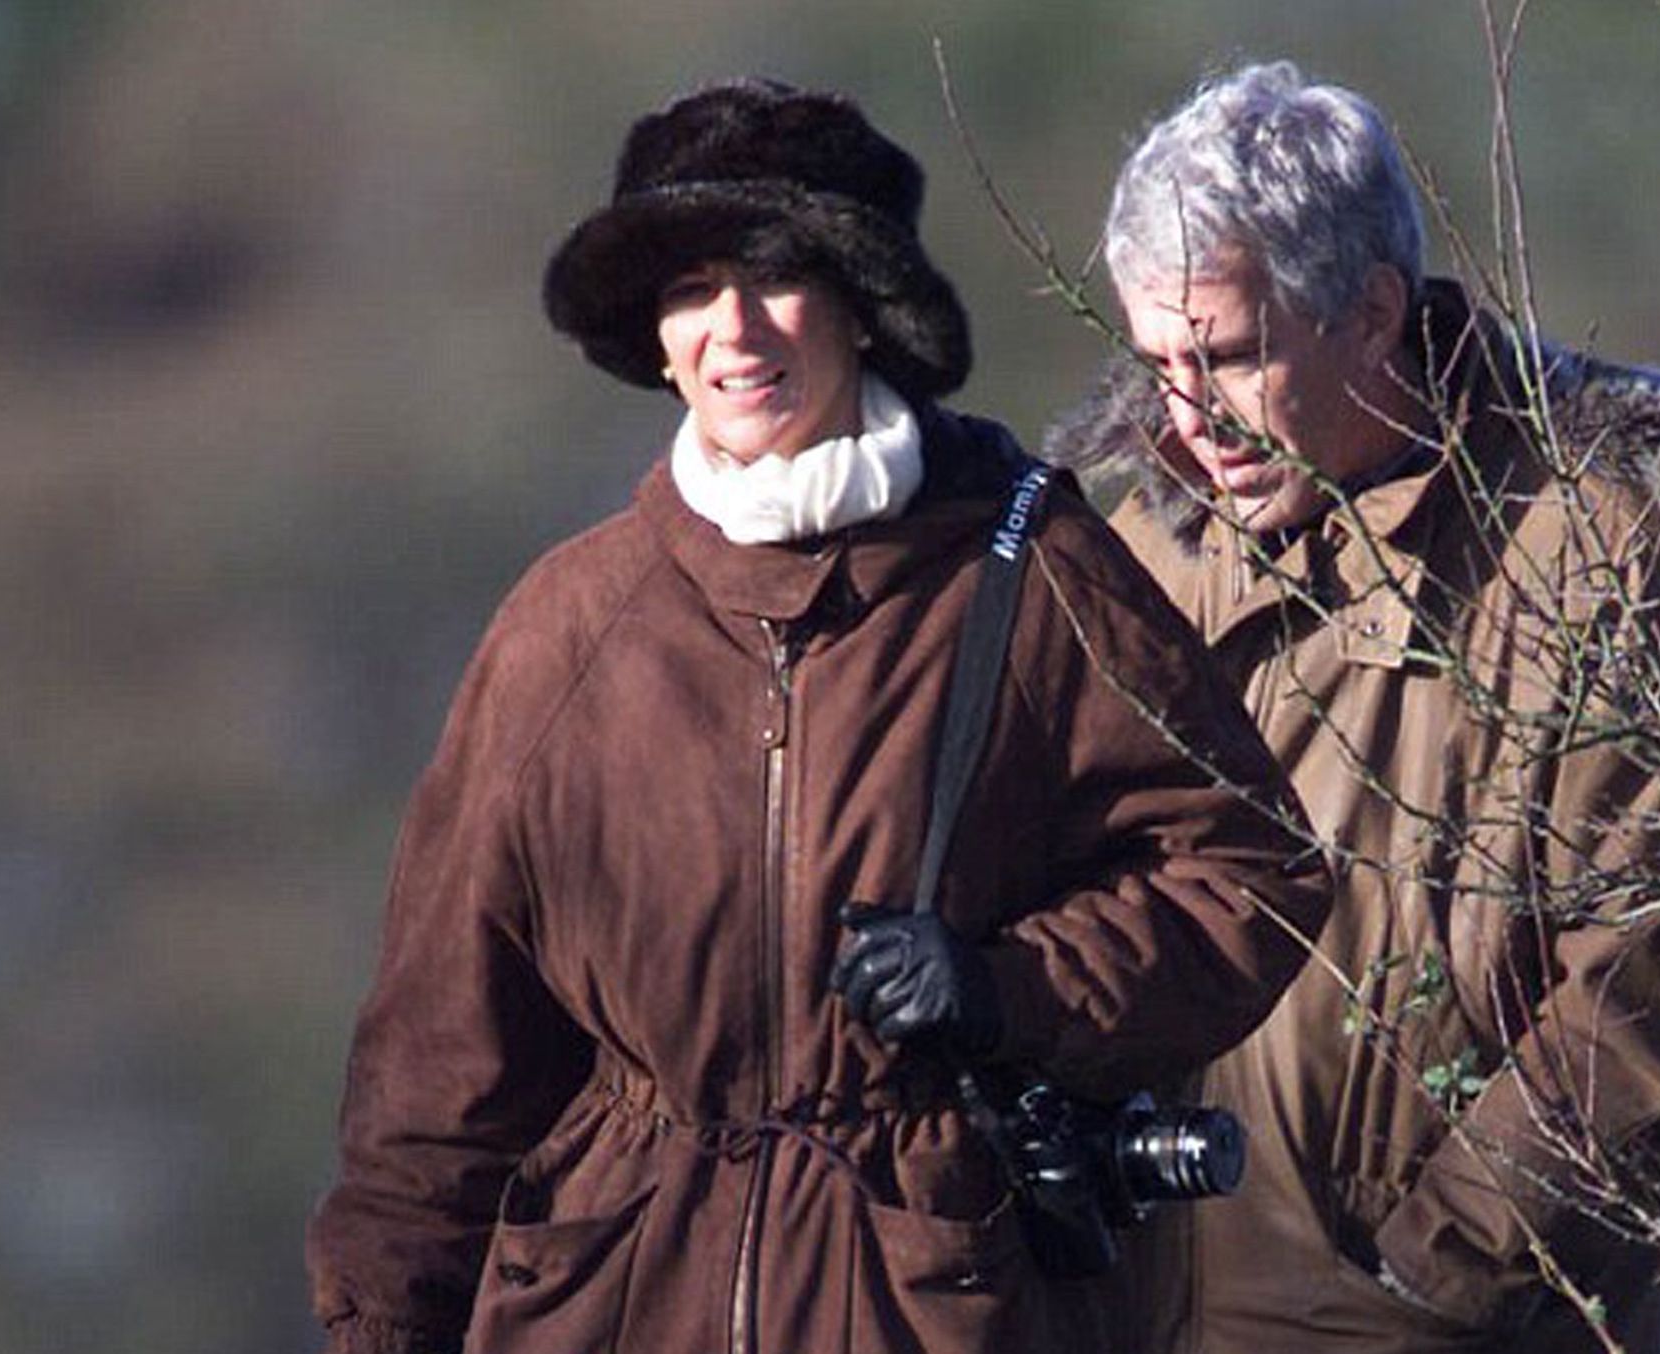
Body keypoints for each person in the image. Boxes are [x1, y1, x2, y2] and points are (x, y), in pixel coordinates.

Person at [304, 79, 1332, 1354]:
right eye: (688, 289)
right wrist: (380, 1328)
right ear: (655, 336)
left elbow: (1253, 870)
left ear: (859, 304)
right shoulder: (563, 629)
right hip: (611, 1306)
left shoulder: (1033, 571)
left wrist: (1012, 987)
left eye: (774, 277)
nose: (731, 328)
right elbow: (440, 1056)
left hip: (934, 1300)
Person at [1046, 61, 1660, 1354]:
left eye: (1225, 356)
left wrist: (1429, 1283)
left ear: (1373, 313)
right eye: (1158, 361)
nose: (1186, 418)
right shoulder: (1139, 551)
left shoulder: (1590, 555)